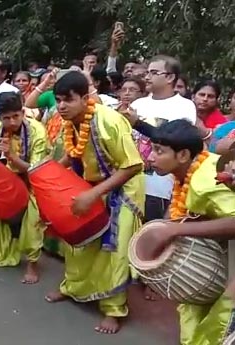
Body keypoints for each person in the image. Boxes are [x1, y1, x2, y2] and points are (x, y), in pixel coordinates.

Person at [44, 71, 145, 334]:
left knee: (114, 248)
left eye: (69, 99)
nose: (62, 106)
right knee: (80, 242)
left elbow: (133, 165)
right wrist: (45, 172)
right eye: (58, 100)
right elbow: (73, 155)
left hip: (123, 189)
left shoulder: (108, 121)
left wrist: (92, 194)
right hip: (91, 185)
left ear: (86, 98)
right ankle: (73, 288)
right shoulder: (70, 123)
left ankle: (114, 309)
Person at [142, 119, 235, 345]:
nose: (150, 157)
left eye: (158, 151)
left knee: (220, 325)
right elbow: (177, 212)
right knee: (192, 316)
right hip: (221, 258)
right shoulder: (186, 172)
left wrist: (176, 230)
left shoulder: (206, 180)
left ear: (183, 155)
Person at [0, 92, 48, 284]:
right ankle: (0, 252)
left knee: (32, 221)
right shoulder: (0, 129)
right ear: (0, 118)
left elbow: (36, 169)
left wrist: (11, 157)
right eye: (6, 118)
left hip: (36, 180)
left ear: (23, 112)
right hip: (10, 178)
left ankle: (32, 264)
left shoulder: (37, 131)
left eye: (16, 116)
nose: (11, 121)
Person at [129, 55, 196, 223]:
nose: (147, 77)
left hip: (162, 188)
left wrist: (138, 123)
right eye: (147, 72)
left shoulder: (184, 106)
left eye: (153, 72)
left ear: (170, 77)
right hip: (133, 185)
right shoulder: (138, 104)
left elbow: (174, 141)